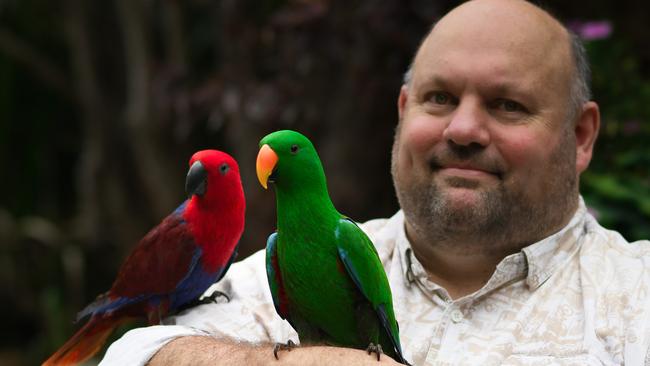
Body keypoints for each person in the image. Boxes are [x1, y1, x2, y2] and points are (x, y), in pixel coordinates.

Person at [100, 0, 650, 364]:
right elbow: (134, 353)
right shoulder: (265, 272)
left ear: (580, 136)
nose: (462, 129)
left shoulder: (635, 298)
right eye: (439, 99)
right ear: (403, 111)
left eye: (508, 105)